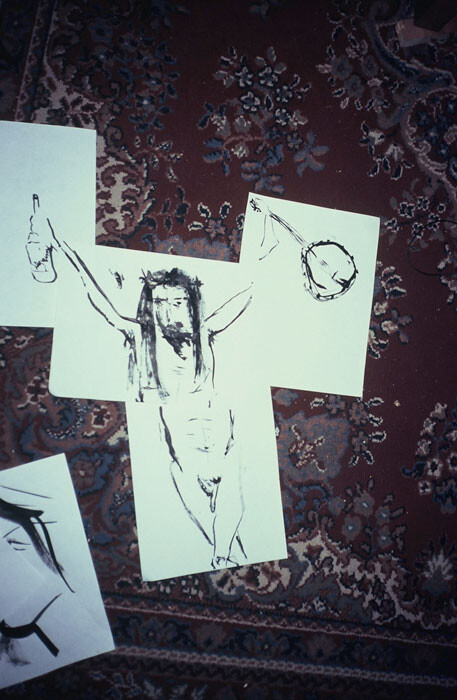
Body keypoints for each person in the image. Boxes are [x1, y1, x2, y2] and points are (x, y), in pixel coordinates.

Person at [26, 197, 251, 568]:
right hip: (181, 443)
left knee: (232, 489)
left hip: (220, 432)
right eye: (161, 302)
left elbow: (245, 297)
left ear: (191, 303)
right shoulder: (140, 337)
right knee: (193, 496)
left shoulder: (205, 332)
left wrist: (266, 269)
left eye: (178, 302)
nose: (169, 310)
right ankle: (224, 551)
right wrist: (67, 251)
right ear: (151, 305)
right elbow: (99, 300)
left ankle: (223, 551)